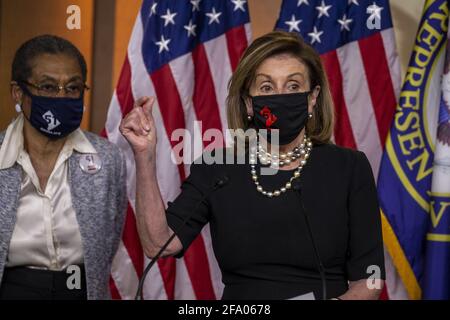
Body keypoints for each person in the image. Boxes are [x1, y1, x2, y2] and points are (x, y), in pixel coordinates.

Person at [120, 31, 385, 300]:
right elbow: (158, 244)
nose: (280, 96)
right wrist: (144, 156)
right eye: (267, 88)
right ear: (248, 102)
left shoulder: (349, 167)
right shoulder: (218, 168)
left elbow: (372, 276)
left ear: (313, 97)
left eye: (293, 86)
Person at [0, 35, 127, 300]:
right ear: (18, 92)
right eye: (47, 87)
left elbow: (108, 242)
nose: (61, 96)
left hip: (81, 291)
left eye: (72, 88)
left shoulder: (108, 159)